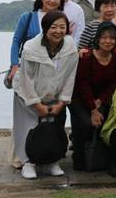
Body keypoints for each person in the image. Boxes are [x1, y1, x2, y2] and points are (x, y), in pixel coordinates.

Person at [12, 10, 78, 179]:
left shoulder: (70, 46)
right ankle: (28, 163)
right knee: (28, 128)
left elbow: (71, 76)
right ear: (45, 28)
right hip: (26, 94)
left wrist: (62, 102)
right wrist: (36, 104)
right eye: (53, 27)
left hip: (53, 95)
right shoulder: (31, 48)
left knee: (54, 127)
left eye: (62, 27)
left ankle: (51, 162)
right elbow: (26, 79)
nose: (58, 31)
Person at [69, 22, 116, 170]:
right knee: (86, 124)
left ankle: (99, 157)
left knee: (102, 124)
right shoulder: (87, 57)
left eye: (112, 38)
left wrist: (100, 101)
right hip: (79, 99)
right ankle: (79, 157)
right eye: (104, 37)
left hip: (102, 100)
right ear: (97, 38)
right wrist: (93, 108)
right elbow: (82, 83)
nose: (108, 41)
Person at [9, 0, 66, 85]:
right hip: (27, 70)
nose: (52, 1)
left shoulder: (62, 20)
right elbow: (16, 41)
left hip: (52, 74)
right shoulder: (27, 17)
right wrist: (14, 65)